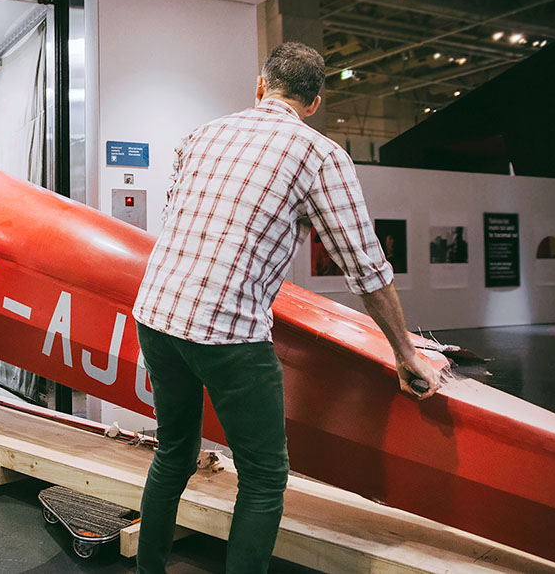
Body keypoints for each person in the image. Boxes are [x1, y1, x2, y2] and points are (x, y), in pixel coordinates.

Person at [131, 42, 442, 574]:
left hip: (156, 316)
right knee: (263, 478)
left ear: (260, 85)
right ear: (315, 102)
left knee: (173, 454)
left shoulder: (200, 136)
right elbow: (366, 268)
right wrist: (405, 353)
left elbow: (177, 221)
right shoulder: (318, 153)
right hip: (228, 334)